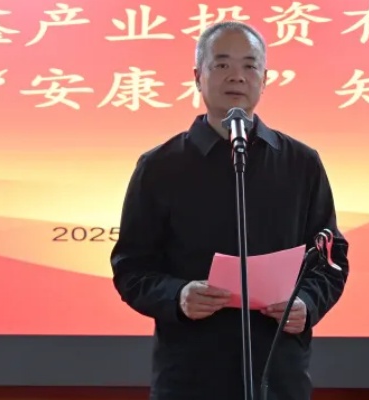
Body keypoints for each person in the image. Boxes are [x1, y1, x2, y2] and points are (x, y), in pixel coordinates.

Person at [110, 20, 349, 400]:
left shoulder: (300, 163)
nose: (237, 76)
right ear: (198, 77)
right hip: (190, 376)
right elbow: (131, 267)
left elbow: (329, 258)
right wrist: (178, 295)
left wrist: (306, 303)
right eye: (221, 64)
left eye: (249, 66)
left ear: (265, 79)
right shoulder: (159, 166)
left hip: (277, 374)